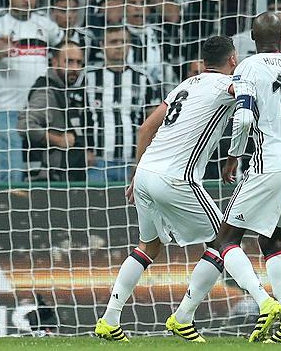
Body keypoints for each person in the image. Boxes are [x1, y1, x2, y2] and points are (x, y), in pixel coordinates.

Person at [94, 36, 239, 342]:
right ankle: (185, 317)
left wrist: (136, 174)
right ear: (233, 60)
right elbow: (251, 100)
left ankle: (109, 319)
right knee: (223, 241)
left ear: (201, 62)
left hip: (145, 173)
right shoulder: (226, 86)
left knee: (150, 245)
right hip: (176, 177)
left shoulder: (184, 85)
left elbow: (146, 128)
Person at [213, 12, 281, 344]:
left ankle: (265, 302)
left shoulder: (248, 67)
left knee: (225, 240)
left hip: (270, 160)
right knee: (271, 241)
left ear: (251, 36)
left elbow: (245, 118)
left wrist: (233, 155)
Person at [0, 0, 61, 183]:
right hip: (6, 109)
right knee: (12, 174)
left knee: (41, 173)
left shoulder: (45, 23)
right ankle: (6, 212)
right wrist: (1, 49)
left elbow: (66, 48)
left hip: (40, 110)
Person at [86, 26, 162, 183]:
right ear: (102, 45)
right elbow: (79, 117)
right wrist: (85, 150)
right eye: (114, 42)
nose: (119, 46)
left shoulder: (142, 79)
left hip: (132, 162)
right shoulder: (89, 78)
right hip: (97, 162)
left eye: (124, 41)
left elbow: (154, 122)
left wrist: (142, 159)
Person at [18, 41, 92, 182]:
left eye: (79, 63)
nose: (75, 68)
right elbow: (25, 125)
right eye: (69, 62)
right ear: (55, 62)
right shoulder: (47, 91)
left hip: (67, 174)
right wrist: (58, 140)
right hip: (52, 179)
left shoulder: (64, 88)